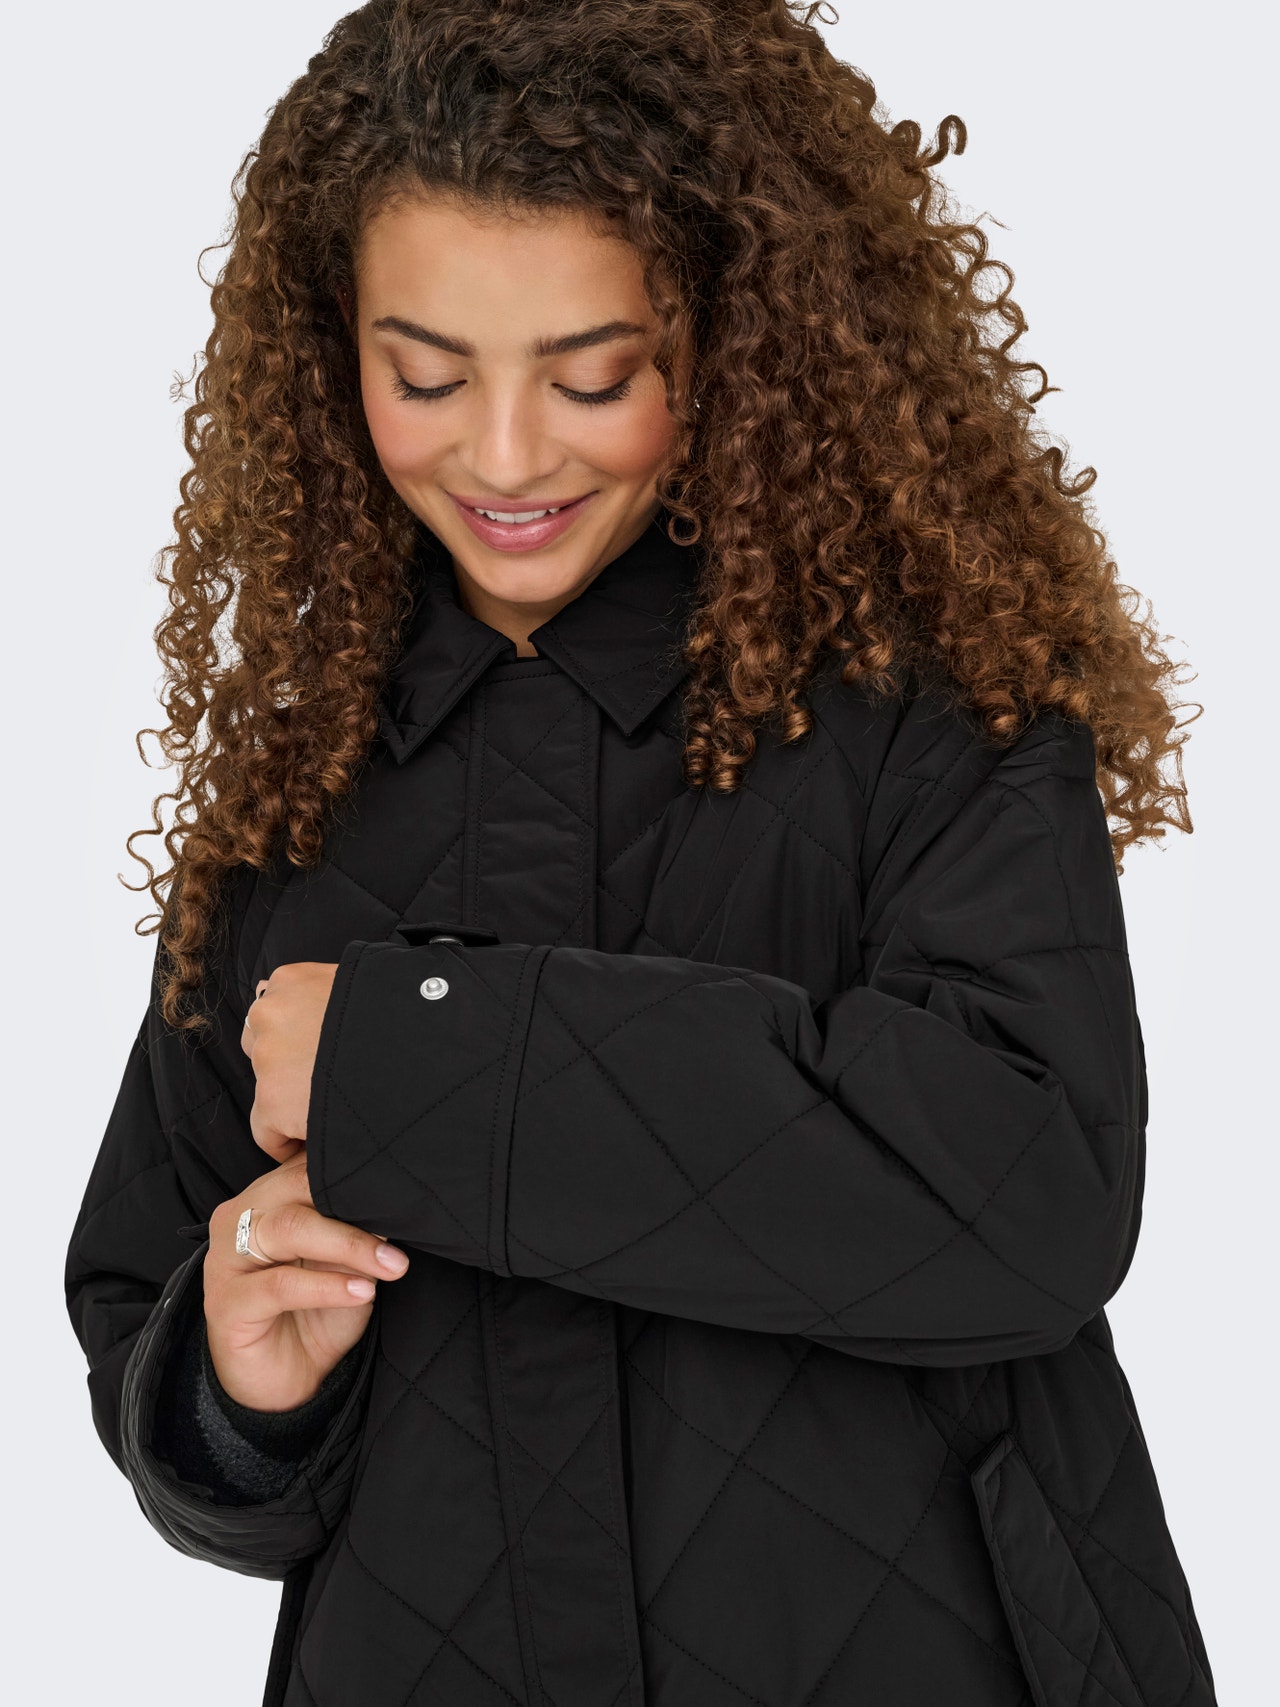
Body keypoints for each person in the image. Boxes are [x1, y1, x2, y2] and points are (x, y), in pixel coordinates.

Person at [65, 2, 1217, 1703]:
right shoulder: (300, 779)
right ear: (329, 350)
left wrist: (423, 1064)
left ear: (735, 334)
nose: (506, 454)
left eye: (594, 376)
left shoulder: (930, 711)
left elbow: (1029, 1190)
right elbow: (152, 1308)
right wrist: (241, 1390)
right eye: (424, 375)